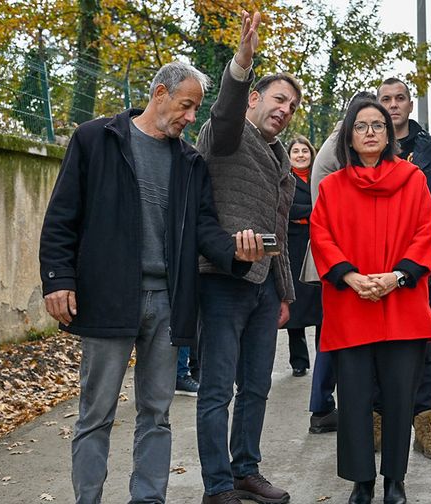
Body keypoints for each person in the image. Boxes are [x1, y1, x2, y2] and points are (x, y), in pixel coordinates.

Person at [39, 61, 261, 504]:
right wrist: (57, 279)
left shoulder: (189, 161)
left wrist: (234, 251)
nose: (191, 117)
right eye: (187, 105)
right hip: (107, 297)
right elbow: (62, 217)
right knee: (96, 414)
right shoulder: (96, 138)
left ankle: (148, 499)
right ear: (160, 93)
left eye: (197, 108)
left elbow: (203, 227)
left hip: (168, 302)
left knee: (156, 414)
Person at [310, 99, 431, 504]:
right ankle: (361, 481)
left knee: (401, 395)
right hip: (351, 304)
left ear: (389, 135)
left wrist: (396, 277)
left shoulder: (413, 179)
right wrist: (349, 276)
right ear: (349, 136)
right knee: (353, 398)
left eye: (378, 125)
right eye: (361, 126)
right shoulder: (332, 186)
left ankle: (394, 480)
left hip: (400, 303)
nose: (370, 132)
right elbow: (322, 235)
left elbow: (426, 231)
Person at [194, 11, 299, 504]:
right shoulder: (229, 136)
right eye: (279, 99)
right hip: (221, 279)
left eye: (292, 105)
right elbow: (223, 112)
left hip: (264, 287)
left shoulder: (282, 158)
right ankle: (217, 486)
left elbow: (279, 231)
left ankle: (245, 471)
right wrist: (242, 62)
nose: (286, 109)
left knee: (256, 387)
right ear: (255, 99)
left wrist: (285, 294)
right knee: (218, 390)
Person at [375, 77, 431, 460]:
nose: (393, 105)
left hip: (423, 266)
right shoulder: (367, 146)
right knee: (375, 343)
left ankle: (424, 424)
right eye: (385, 100)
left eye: (400, 99)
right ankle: (377, 420)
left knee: (421, 346)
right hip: (375, 264)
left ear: (411, 105)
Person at [305, 91, 377, 436]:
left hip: (334, 253)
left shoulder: (337, 141)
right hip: (336, 255)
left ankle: (323, 407)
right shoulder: (341, 148)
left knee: (331, 331)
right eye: (365, 121)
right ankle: (322, 407)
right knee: (333, 333)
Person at [283, 135, 323, 378]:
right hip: (294, 246)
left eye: (304, 151)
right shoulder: (284, 180)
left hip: (317, 244)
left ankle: (323, 355)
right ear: (289, 156)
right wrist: (314, 211)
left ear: (311, 154)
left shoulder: (320, 177)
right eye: (295, 151)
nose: (300, 155)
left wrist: (307, 214)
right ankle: (299, 361)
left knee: (320, 305)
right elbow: (287, 209)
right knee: (295, 305)